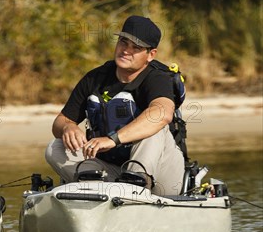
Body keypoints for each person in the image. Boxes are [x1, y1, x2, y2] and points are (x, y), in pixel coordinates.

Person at [45, 15, 185, 196]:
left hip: (162, 175)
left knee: (154, 126)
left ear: (151, 55)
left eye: (136, 48)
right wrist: (68, 127)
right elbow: (60, 122)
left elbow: (162, 114)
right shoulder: (95, 78)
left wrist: (113, 139)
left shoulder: (158, 78)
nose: (126, 50)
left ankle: (136, 184)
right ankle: (102, 188)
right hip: (112, 173)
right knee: (55, 147)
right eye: (123, 42)